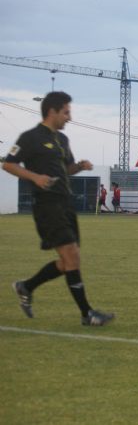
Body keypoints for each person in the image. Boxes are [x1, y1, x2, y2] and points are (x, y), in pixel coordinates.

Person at [2, 91, 115, 326]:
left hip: (65, 204)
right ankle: (87, 314)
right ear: (52, 111)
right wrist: (35, 177)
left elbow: (67, 170)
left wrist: (80, 167)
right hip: (47, 205)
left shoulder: (62, 140)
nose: (69, 117)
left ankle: (27, 286)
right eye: (66, 112)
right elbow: (8, 164)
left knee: (69, 262)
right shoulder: (30, 137)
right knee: (71, 256)